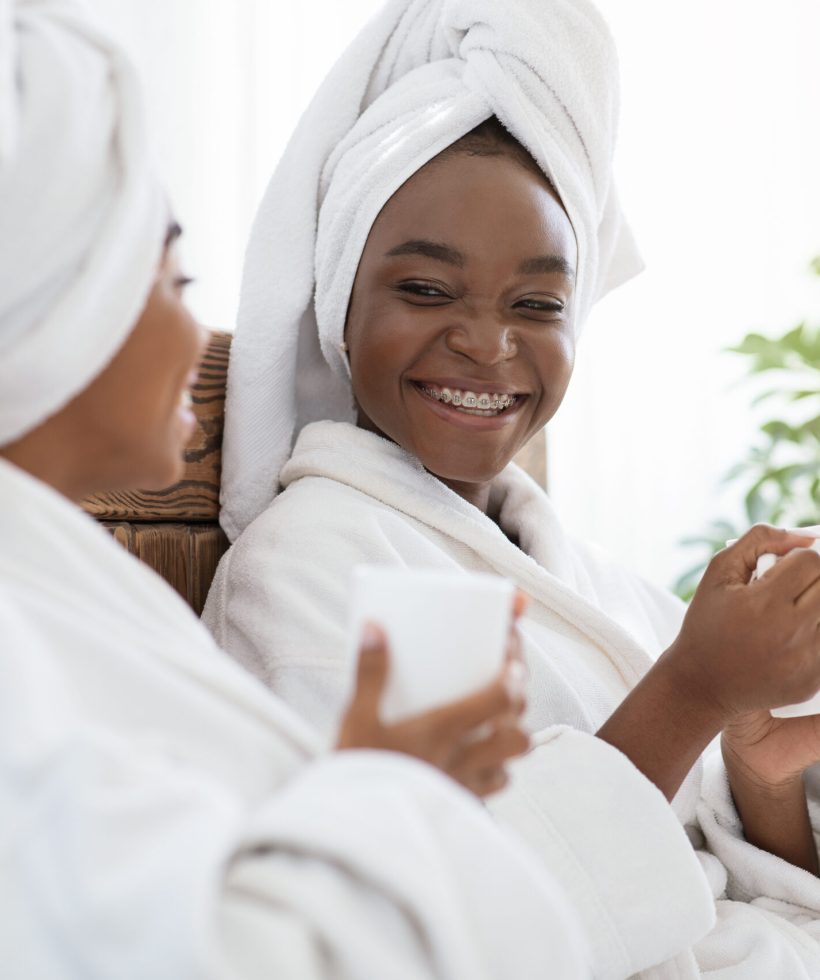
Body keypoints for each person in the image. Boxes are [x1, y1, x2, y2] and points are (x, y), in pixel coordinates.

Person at [202, 0, 820, 976]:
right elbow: (438, 928)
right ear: (336, 295)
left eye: (538, 303)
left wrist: (755, 770)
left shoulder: (594, 578)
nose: (487, 343)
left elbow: (736, 892)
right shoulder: (311, 572)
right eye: (425, 289)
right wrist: (693, 685)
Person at [0, 3, 606, 977]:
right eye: (170, 277)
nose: (200, 339)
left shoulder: (58, 582)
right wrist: (392, 789)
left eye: (537, 302)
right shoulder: (35, 648)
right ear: (53, 314)